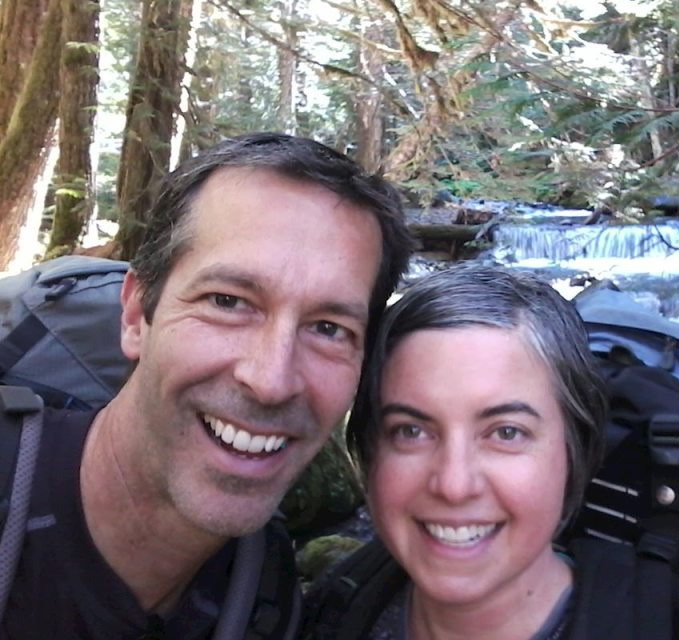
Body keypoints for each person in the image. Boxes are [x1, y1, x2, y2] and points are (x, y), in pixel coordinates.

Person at [2, 133, 415, 639]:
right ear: (136, 314)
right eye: (227, 301)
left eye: (328, 329)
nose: (271, 381)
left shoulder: (265, 596)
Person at [305, 265, 643, 640]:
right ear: (370, 451)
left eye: (506, 433)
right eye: (411, 431)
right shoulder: (329, 614)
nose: (454, 485)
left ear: (573, 448)